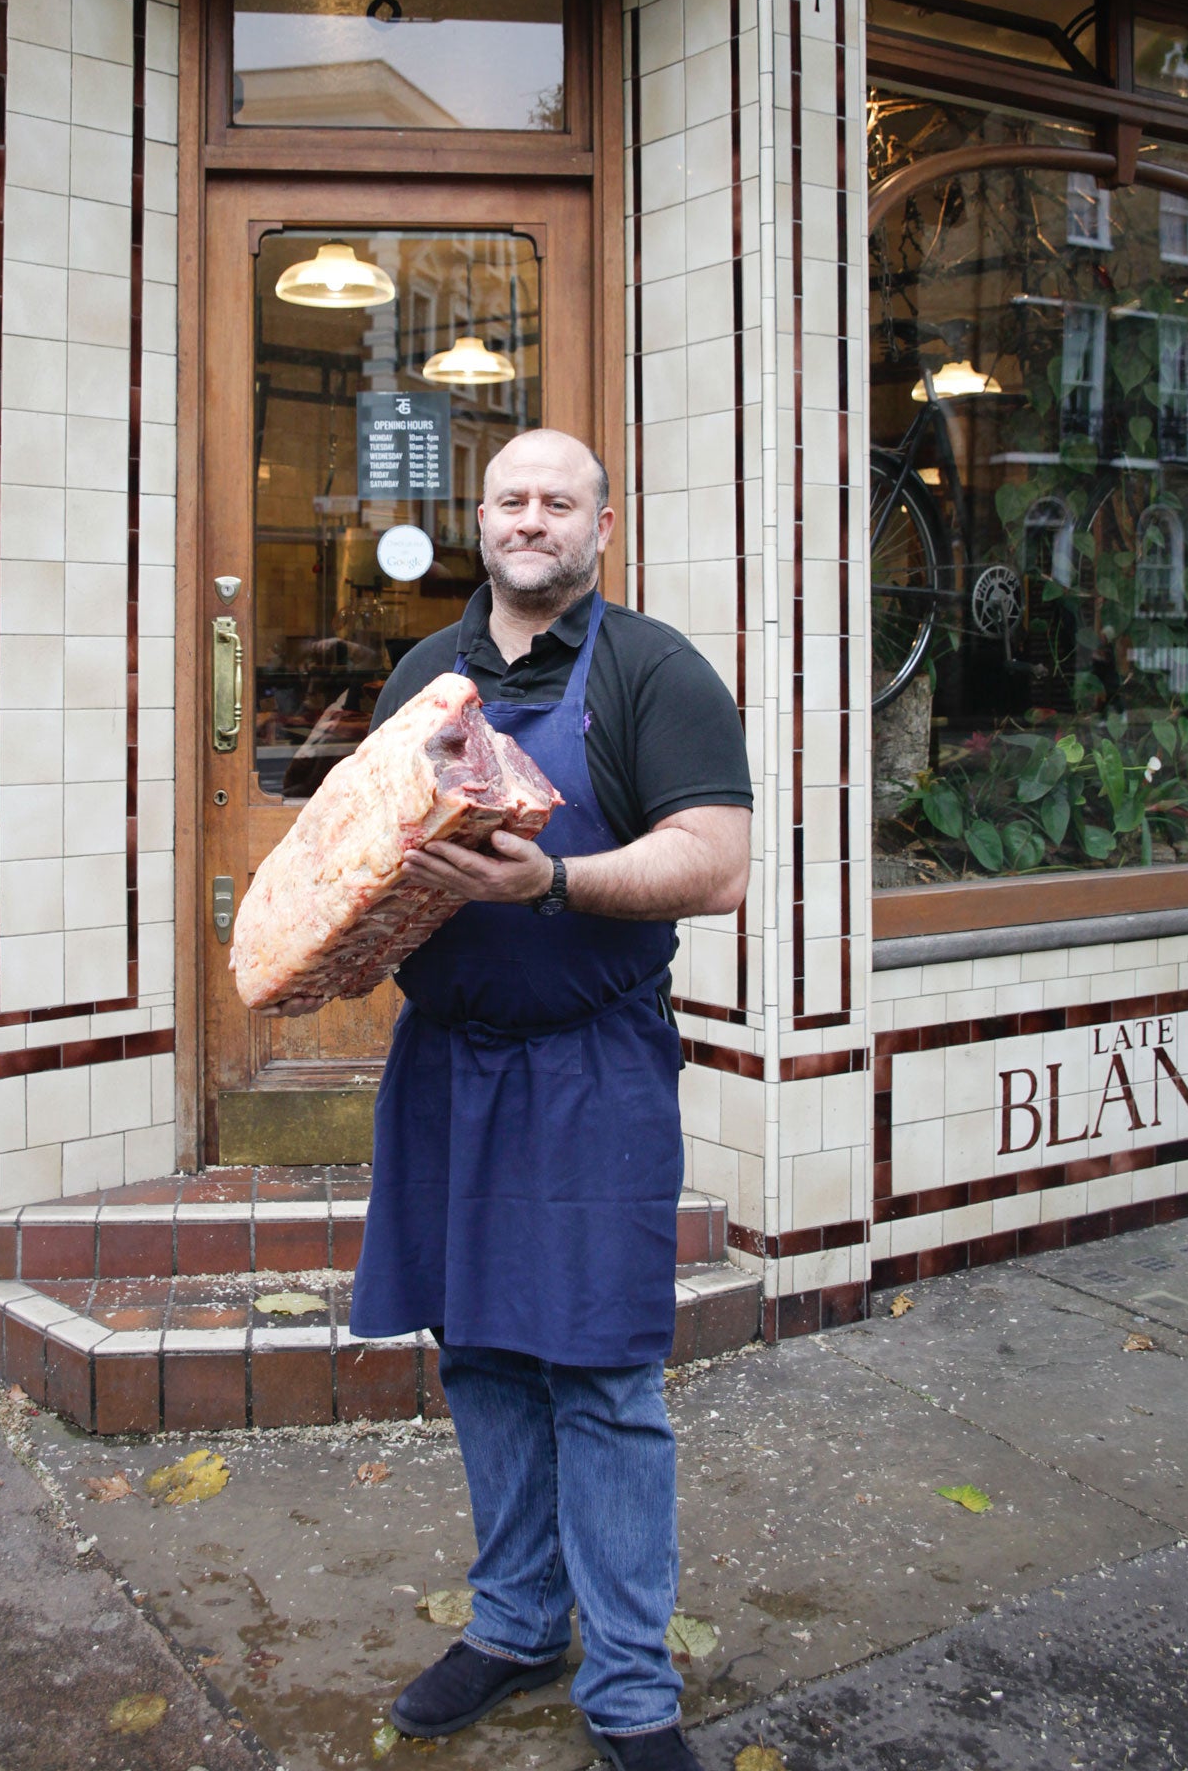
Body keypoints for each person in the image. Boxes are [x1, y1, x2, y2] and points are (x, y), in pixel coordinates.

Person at [348, 428, 752, 1770]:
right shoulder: (425, 677)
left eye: (558, 501)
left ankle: (633, 1691)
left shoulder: (654, 670)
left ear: (601, 525)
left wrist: (558, 883)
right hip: (447, 1063)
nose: (532, 519)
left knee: (603, 1376)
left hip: (593, 1064)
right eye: (512, 498)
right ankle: (518, 1624)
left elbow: (717, 860)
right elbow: (368, 851)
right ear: (484, 517)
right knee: (481, 1358)